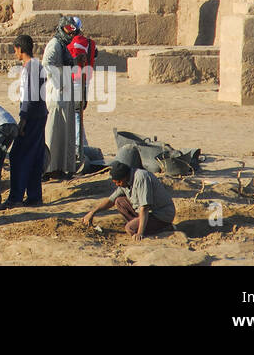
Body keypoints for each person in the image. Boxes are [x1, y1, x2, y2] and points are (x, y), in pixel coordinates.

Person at [81, 160, 176, 239]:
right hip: (147, 213)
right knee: (119, 202)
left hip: (161, 214)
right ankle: (142, 225)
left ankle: (164, 227)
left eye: (118, 182)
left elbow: (144, 207)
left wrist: (140, 233)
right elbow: (111, 200)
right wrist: (92, 212)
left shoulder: (141, 178)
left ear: (124, 178)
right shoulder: (125, 182)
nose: (117, 185)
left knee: (130, 228)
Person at [6, 34, 47, 207]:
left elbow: (29, 98)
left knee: (18, 156)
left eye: (15, 50)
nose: (15, 53)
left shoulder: (30, 68)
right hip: (40, 114)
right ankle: (34, 196)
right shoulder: (37, 65)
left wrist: (22, 121)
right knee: (35, 156)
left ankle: (16, 197)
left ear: (20, 49)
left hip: (32, 116)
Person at [42, 18, 78, 181]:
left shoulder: (63, 46)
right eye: (68, 31)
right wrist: (59, 83)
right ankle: (49, 167)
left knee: (64, 132)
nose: (70, 35)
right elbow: (47, 64)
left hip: (65, 94)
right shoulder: (55, 44)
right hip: (57, 94)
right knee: (53, 133)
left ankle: (61, 167)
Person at [66, 17, 97, 171]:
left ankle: (80, 148)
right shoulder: (90, 43)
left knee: (76, 114)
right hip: (85, 80)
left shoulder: (76, 43)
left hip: (76, 80)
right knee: (78, 114)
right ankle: (82, 144)